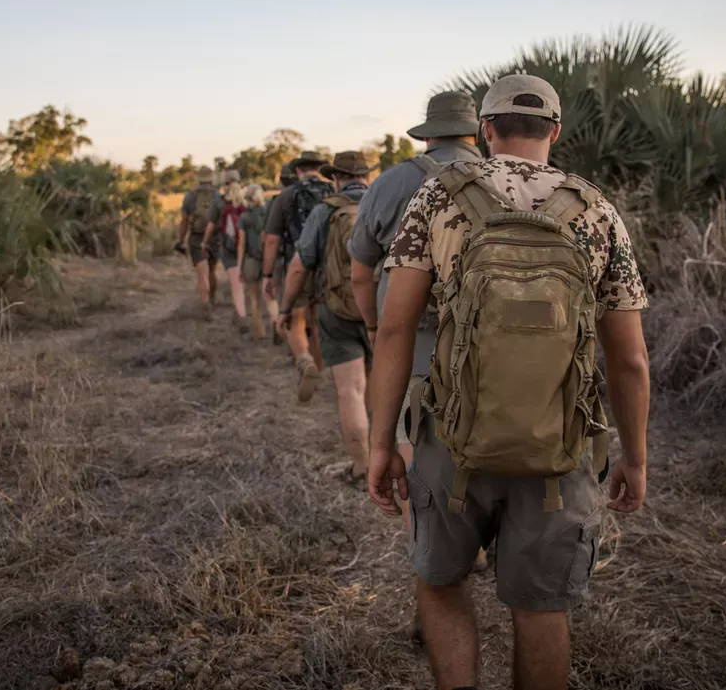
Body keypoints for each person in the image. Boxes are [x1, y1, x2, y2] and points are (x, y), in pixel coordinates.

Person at [366, 74, 651, 690]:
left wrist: (380, 442)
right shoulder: (596, 208)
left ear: (486, 130)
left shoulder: (438, 198)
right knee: (542, 606)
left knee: (441, 585)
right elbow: (628, 359)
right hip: (559, 447)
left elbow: (394, 330)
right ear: (554, 130)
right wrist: (635, 456)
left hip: (451, 437)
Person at [348, 90, 484, 640]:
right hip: (494, 354)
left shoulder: (392, 184)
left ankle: (434, 578)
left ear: (427, 133)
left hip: (421, 355)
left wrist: (378, 329)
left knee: (421, 466)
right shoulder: (510, 176)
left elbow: (361, 272)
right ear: (477, 132)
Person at [279, 150, 376, 481]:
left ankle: (362, 466)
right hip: (383, 306)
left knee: (351, 390)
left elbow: (299, 265)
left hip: (338, 309)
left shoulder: (325, 211)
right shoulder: (387, 203)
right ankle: (388, 459)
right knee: (382, 387)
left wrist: (286, 307)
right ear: (366, 176)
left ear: (335, 177)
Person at [263, 151, 332, 400]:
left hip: (296, 264)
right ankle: (320, 370)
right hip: (328, 267)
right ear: (319, 168)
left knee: (294, 319)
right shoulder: (333, 192)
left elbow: (271, 240)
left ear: (299, 170)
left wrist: (267, 274)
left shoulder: (286, 196)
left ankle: (304, 361)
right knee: (317, 321)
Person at [206, 169, 249, 331]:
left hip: (229, 247)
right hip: (249, 248)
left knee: (236, 284)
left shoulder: (219, 202)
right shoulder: (248, 200)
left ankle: (242, 316)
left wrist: (204, 241)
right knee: (247, 283)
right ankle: (252, 315)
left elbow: (211, 225)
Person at [177, 167, 222, 314]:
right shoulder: (217, 195)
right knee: (212, 271)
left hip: (196, 237)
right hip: (215, 238)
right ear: (211, 178)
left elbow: (184, 221)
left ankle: (205, 303)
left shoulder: (190, 196)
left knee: (202, 273)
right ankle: (213, 298)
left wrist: (181, 240)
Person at [263, 161, 297, 343]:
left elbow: (270, 237)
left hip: (287, 258)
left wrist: (266, 273)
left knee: (288, 301)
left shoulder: (278, 200)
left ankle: (285, 332)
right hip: (320, 258)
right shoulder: (321, 193)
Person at [237, 183, 270, 341]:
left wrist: (239, 266)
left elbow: (241, 243)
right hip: (268, 258)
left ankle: (259, 332)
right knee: (270, 295)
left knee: (254, 297)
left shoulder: (244, 217)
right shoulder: (268, 214)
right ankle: (276, 322)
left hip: (251, 259)